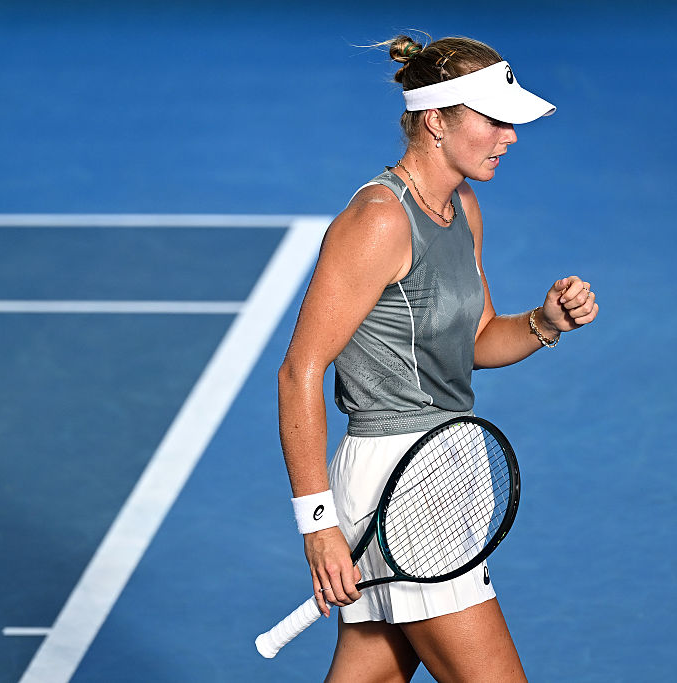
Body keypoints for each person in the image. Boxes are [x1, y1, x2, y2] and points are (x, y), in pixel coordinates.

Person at [277, 33, 598, 682]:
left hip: (448, 461)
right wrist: (318, 523)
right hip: (399, 481)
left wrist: (543, 322)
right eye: (494, 120)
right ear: (436, 122)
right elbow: (299, 372)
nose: (509, 136)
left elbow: (477, 340)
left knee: (374, 671)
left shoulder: (464, 208)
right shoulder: (378, 220)